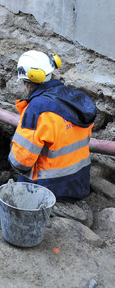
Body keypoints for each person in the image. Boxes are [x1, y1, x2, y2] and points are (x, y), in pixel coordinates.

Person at [8, 50, 97, 202]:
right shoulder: (74, 100)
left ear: (28, 82)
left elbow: (21, 162)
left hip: (49, 189)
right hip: (79, 183)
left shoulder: (38, 109)